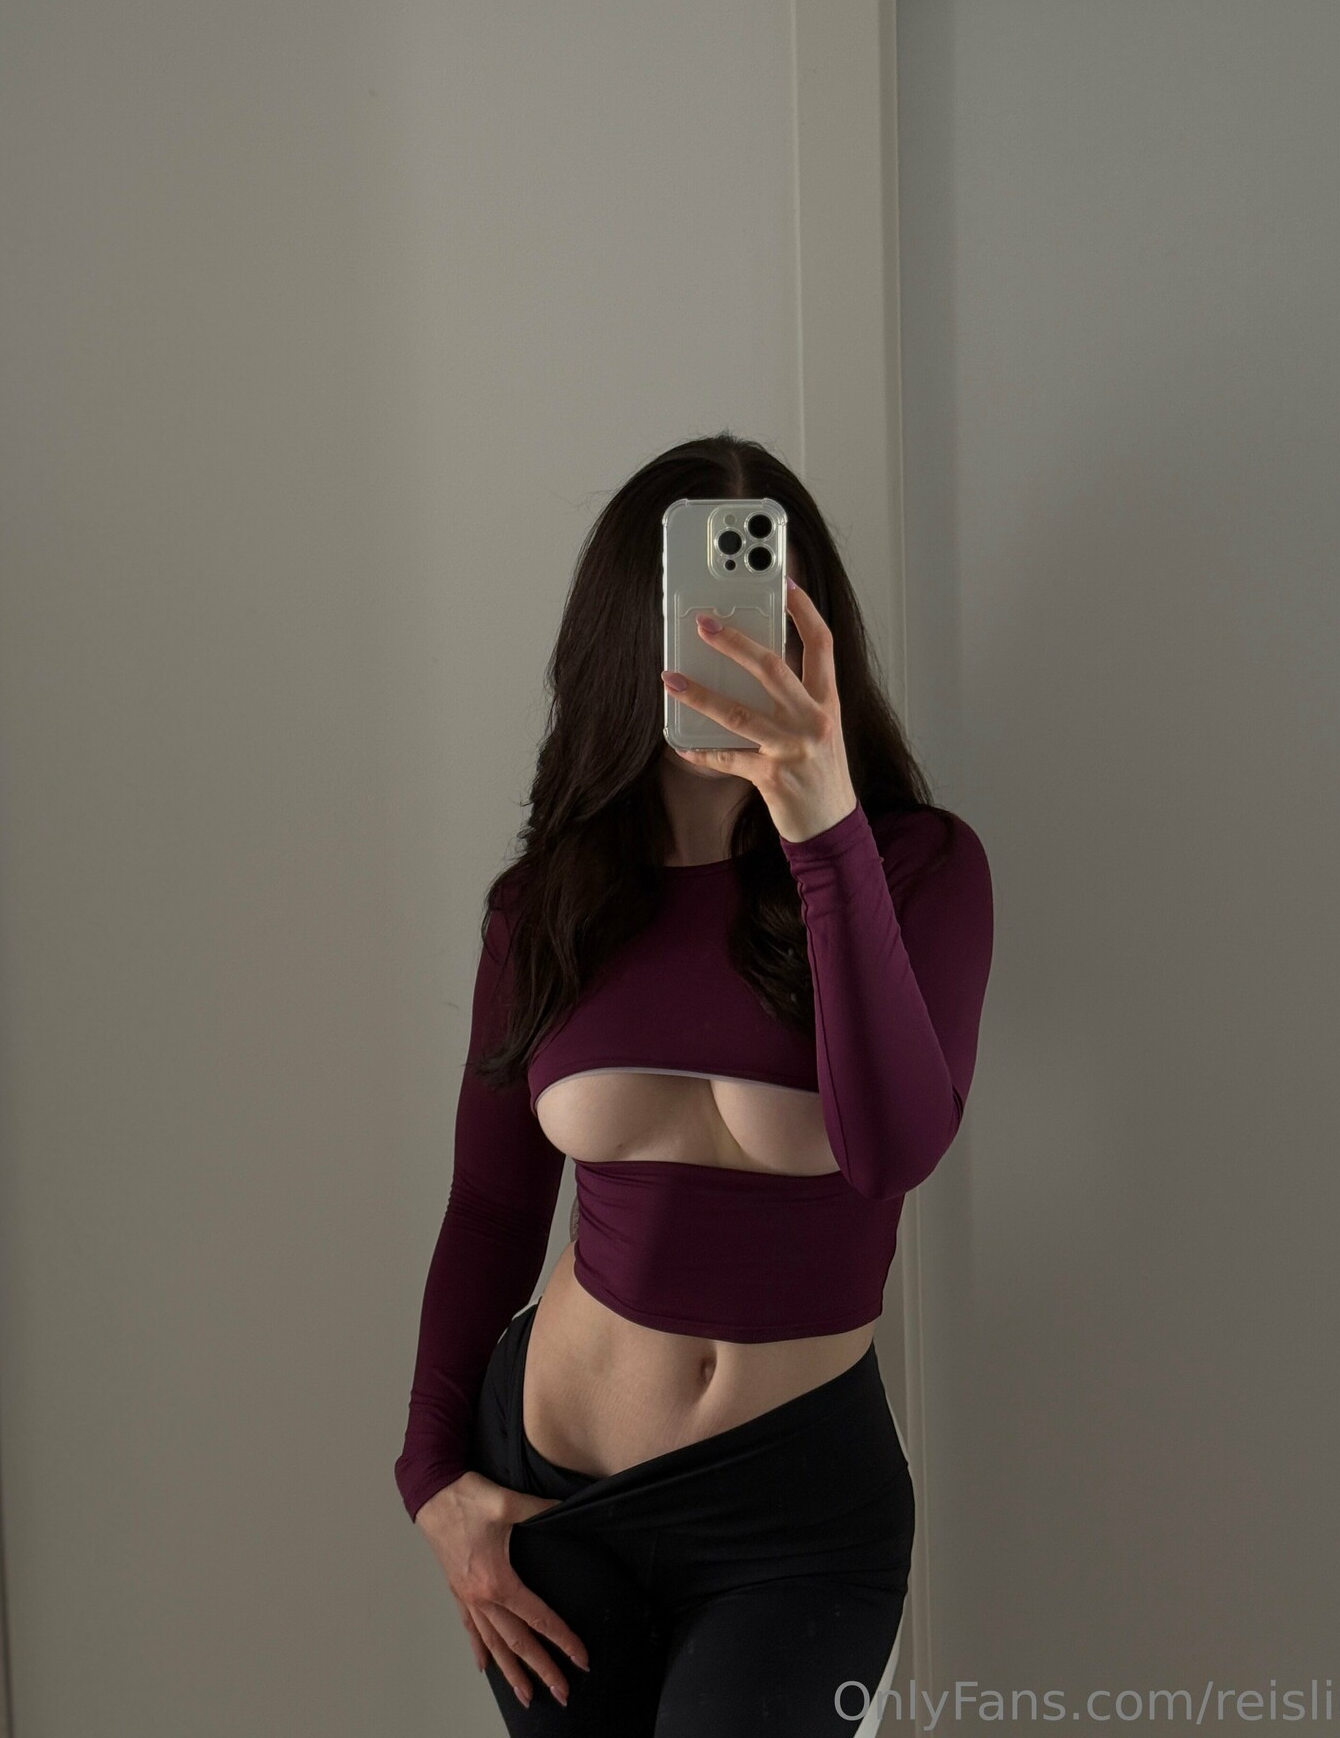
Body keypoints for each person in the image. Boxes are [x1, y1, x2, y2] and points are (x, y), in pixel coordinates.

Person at [394, 433, 995, 1735]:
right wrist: (430, 1477)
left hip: (796, 1522)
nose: (730, 641)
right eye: (695, 605)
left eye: (761, 604)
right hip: (554, 1498)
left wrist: (822, 823)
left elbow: (894, 1149)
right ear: (630, 629)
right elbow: (492, 1210)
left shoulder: (918, 871)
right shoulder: (547, 904)